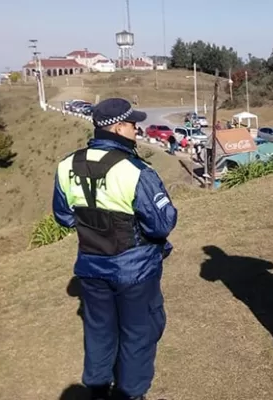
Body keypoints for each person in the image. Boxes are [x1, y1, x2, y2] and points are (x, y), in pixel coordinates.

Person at [52, 98, 178, 400]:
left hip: (91, 268)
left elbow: (63, 216)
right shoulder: (136, 170)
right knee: (138, 334)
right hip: (135, 272)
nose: (137, 129)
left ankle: (97, 390)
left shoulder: (66, 165)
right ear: (119, 128)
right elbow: (161, 224)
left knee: (98, 333)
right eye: (133, 124)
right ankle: (130, 395)